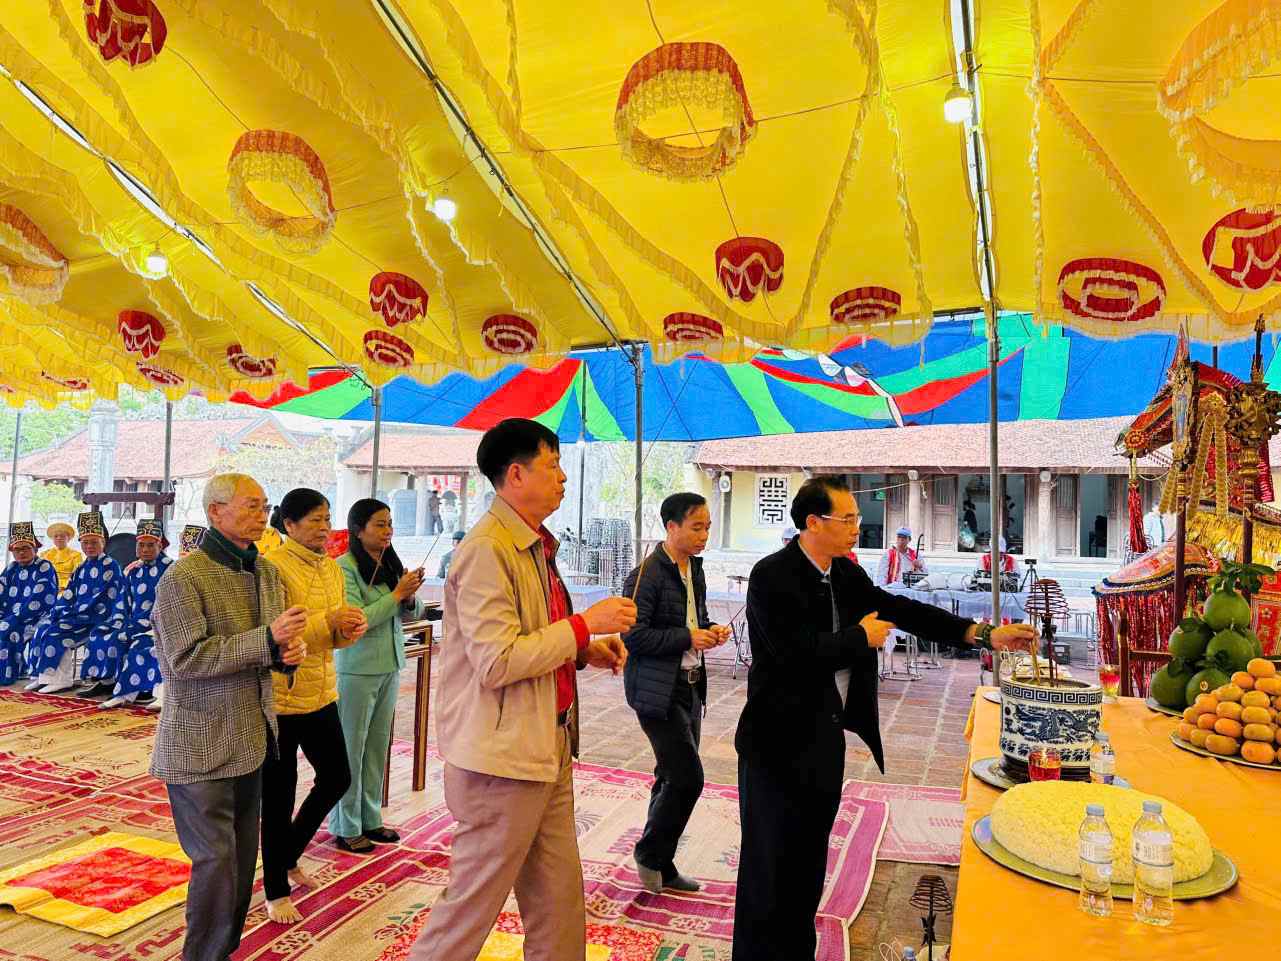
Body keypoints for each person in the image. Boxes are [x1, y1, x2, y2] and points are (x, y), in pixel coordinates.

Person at [732, 476, 1036, 961]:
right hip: (774, 744)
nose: (857, 527)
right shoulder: (771, 576)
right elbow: (790, 654)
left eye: (857, 518)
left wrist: (980, 633)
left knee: (808, 863)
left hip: (822, 739)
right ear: (813, 523)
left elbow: (899, 608)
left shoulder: (844, 574)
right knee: (768, 868)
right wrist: (860, 638)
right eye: (847, 519)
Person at [408, 418, 634, 961]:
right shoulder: (488, 549)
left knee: (558, 900)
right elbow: (497, 660)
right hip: (500, 760)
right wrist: (584, 626)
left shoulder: (532, 545)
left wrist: (582, 650)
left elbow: (533, 631)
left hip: (543, 745)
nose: (562, 479)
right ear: (515, 474)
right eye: (552, 466)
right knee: (470, 907)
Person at [150, 473, 308, 961]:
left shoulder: (266, 572)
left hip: (252, 736)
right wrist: (267, 641)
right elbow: (185, 659)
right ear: (215, 511)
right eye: (251, 506)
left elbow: (272, 647)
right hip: (199, 741)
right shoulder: (184, 578)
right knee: (217, 863)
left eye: (265, 506)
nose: (262, 515)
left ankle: (220, 951)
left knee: (240, 865)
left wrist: (288, 654)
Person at [261, 489, 367, 923]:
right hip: (282, 695)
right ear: (289, 525)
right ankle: (274, 889)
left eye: (327, 519)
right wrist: (330, 622)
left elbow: (330, 635)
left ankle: (286, 855)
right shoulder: (273, 567)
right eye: (314, 520)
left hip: (322, 691)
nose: (324, 528)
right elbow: (276, 632)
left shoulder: (331, 567)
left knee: (337, 776)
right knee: (279, 794)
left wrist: (348, 630)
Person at [621, 492, 730, 894]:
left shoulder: (694, 570)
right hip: (656, 690)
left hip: (690, 687)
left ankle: (662, 864)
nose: (704, 535)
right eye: (696, 527)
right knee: (687, 778)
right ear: (671, 527)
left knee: (669, 775)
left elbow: (695, 620)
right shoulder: (646, 575)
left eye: (708, 527)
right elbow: (633, 636)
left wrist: (710, 631)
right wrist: (688, 636)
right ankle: (650, 855)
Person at [331, 497, 425, 853]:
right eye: (379, 525)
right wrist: (398, 594)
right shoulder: (344, 568)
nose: (388, 531)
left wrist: (409, 596)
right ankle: (345, 824)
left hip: (389, 664)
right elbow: (359, 619)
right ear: (359, 530)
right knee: (350, 747)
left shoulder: (390, 563)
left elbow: (410, 612)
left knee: (376, 746)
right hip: (357, 667)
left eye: (390, 524)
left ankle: (370, 818)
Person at [26, 511, 125, 694]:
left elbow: (103, 598)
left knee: (55, 633)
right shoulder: (82, 567)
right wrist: (59, 610)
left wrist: (73, 613)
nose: (89, 546)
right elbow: (70, 593)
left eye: (94, 542)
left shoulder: (111, 566)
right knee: (43, 626)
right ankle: (44, 676)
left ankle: (61, 680)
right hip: (77, 615)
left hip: (97, 617)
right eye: (85, 543)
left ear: (103, 543)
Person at [99, 519, 173, 710]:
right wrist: (119, 621)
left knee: (140, 645)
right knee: (113, 637)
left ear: (160, 546)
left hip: (164, 625)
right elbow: (123, 602)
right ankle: (118, 688)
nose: (145, 549)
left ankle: (141, 693)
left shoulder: (171, 569)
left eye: (151, 545)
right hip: (136, 623)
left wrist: (155, 626)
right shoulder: (134, 571)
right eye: (141, 545)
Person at [0, 522, 59, 686]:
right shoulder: (11, 568)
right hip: (11, 616)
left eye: (26, 548)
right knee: (5, 626)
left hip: (37, 617)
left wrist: (13, 618)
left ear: (35, 548)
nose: (21, 552)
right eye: (17, 549)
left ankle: (8, 673)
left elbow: (40, 600)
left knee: (5, 629)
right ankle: (18, 668)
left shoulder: (44, 566)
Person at [40, 521, 82, 591]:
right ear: (52, 538)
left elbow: (77, 576)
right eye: (56, 536)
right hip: (48, 587)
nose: (59, 538)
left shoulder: (76, 555)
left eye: (62, 536)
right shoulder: (44, 554)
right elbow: (41, 575)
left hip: (68, 588)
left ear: (68, 538)